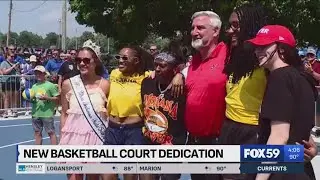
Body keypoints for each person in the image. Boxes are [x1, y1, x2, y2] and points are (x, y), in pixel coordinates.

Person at [247, 25, 317, 180]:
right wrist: (312, 148)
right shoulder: (301, 77)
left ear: (282, 49)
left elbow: (279, 137)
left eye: (264, 45)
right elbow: (300, 125)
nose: (257, 51)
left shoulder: (279, 78)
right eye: (256, 47)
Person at [219, 4, 268, 179]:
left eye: (236, 25)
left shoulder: (267, 60)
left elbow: (294, 94)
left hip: (252, 132)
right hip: (228, 127)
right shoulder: (234, 56)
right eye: (229, 25)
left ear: (251, 25)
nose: (229, 30)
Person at [59, 40, 110, 180]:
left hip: (96, 138)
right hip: (72, 139)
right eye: (78, 60)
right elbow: (64, 113)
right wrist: (63, 139)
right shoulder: (68, 84)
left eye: (86, 60)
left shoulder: (105, 85)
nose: (82, 63)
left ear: (96, 62)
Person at [141, 51, 187, 180]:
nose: (157, 69)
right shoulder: (147, 82)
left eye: (162, 66)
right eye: (155, 65)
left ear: (173, 69)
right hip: (149, 143)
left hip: (171, 145)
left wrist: (180, 75)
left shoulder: (182, 88)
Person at [30, 65, 59, 145]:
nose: (38, 75)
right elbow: (33, 100)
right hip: (35, 113)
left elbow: (57, 98)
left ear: (44, 74)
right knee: (37, 133)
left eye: (40, 73)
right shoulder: (34, 86)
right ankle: (38, 152)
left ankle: (55, 152)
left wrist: (47, 98)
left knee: (51, 133)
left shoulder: (50, 85)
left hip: (47, 114)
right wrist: (31, 99)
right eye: (36, 73)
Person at [0, 53, 21, 117]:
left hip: (15, 82)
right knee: (7, 98)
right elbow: (4, 72)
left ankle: (14, 111)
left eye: (14, 56)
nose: (13, 57)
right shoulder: (4, 63)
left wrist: (17, 69)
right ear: (7, 56)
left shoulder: (15, 62)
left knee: (14, 98)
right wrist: (13, 67)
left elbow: (18, 72)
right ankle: (5, 112)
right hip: (7, 82)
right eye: (11, 56)